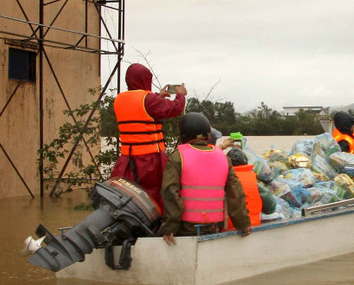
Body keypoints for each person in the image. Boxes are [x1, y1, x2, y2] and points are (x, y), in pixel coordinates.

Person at [160, 112, 252, 245]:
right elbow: (235, 193)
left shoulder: (177, 156)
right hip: (214, 226)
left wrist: (170, 227)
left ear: (182, 136)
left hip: (186, 228)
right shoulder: (223, 158)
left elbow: (169, 192)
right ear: (208, 135)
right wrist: (243, 223)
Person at [110, 63, 186, 212]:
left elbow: (141, 108)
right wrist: (181, 94)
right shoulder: (148, 99)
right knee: (159, 195)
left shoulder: (119, 99)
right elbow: (175, 109)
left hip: (126, 161)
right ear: (146, 80)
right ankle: (163, 226)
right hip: (150, 161)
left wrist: (159, 96)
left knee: (131, 198)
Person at [226, 147, 278, 228]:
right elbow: (271, 207)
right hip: (253, 227)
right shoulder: (253, 181)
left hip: (227, 228)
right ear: (246, 162)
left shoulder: (222, 180)